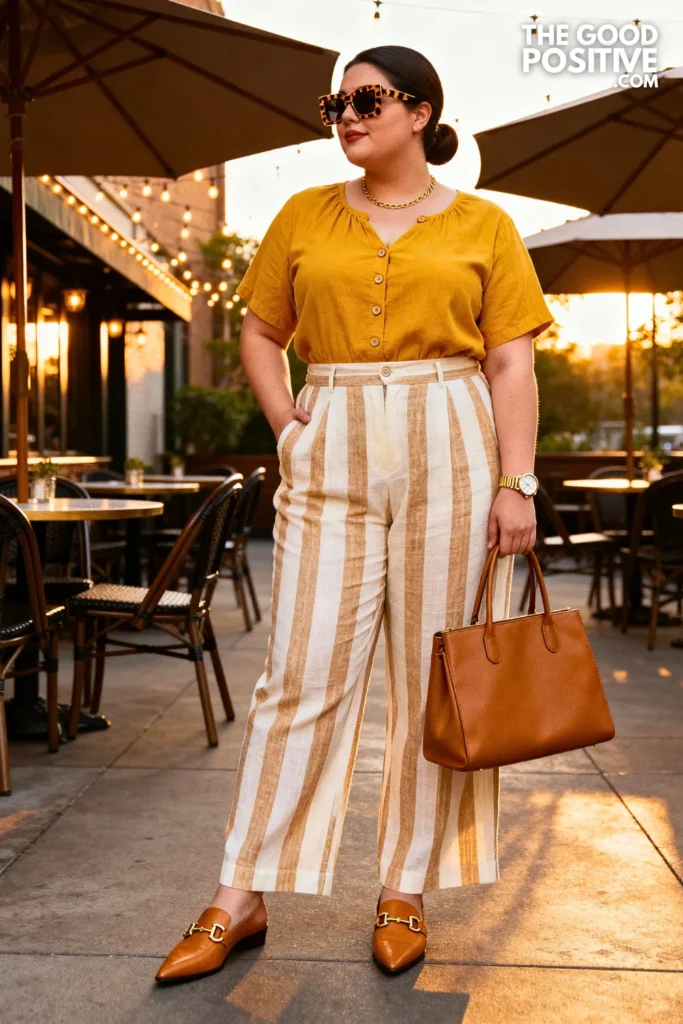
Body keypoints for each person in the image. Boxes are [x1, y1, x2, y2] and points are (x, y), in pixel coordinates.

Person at [156, 44, 554, 983]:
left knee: (433, 675)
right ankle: (239, 893)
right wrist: (287, 424)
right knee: (299, 671)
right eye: (336, 101)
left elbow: (510, 363)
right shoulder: (302, 216)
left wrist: (517, 481)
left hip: (448, 440)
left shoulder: (486, 225)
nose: (344, 114)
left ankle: (404, 886)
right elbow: (259, 331)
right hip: (329, 438)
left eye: (366, 99)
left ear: (420, 113)